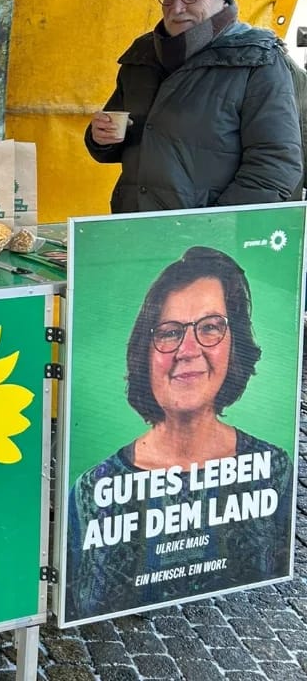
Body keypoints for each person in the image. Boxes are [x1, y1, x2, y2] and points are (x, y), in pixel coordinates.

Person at [65, 247, 293, 620]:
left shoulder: (274, 470)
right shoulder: (95, 490)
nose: (188, 350)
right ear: (145, 353)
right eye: (170, 333)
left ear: (235, 344)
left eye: (210, 327)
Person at [85, 0, 301, 212]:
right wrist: (100, 138)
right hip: (135, 223)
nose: (176, 7)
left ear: (222, 0)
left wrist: (214, 226)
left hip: (208, 234)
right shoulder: (142, 57)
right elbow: (122, 138)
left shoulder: (257, 62)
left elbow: (276, 164)